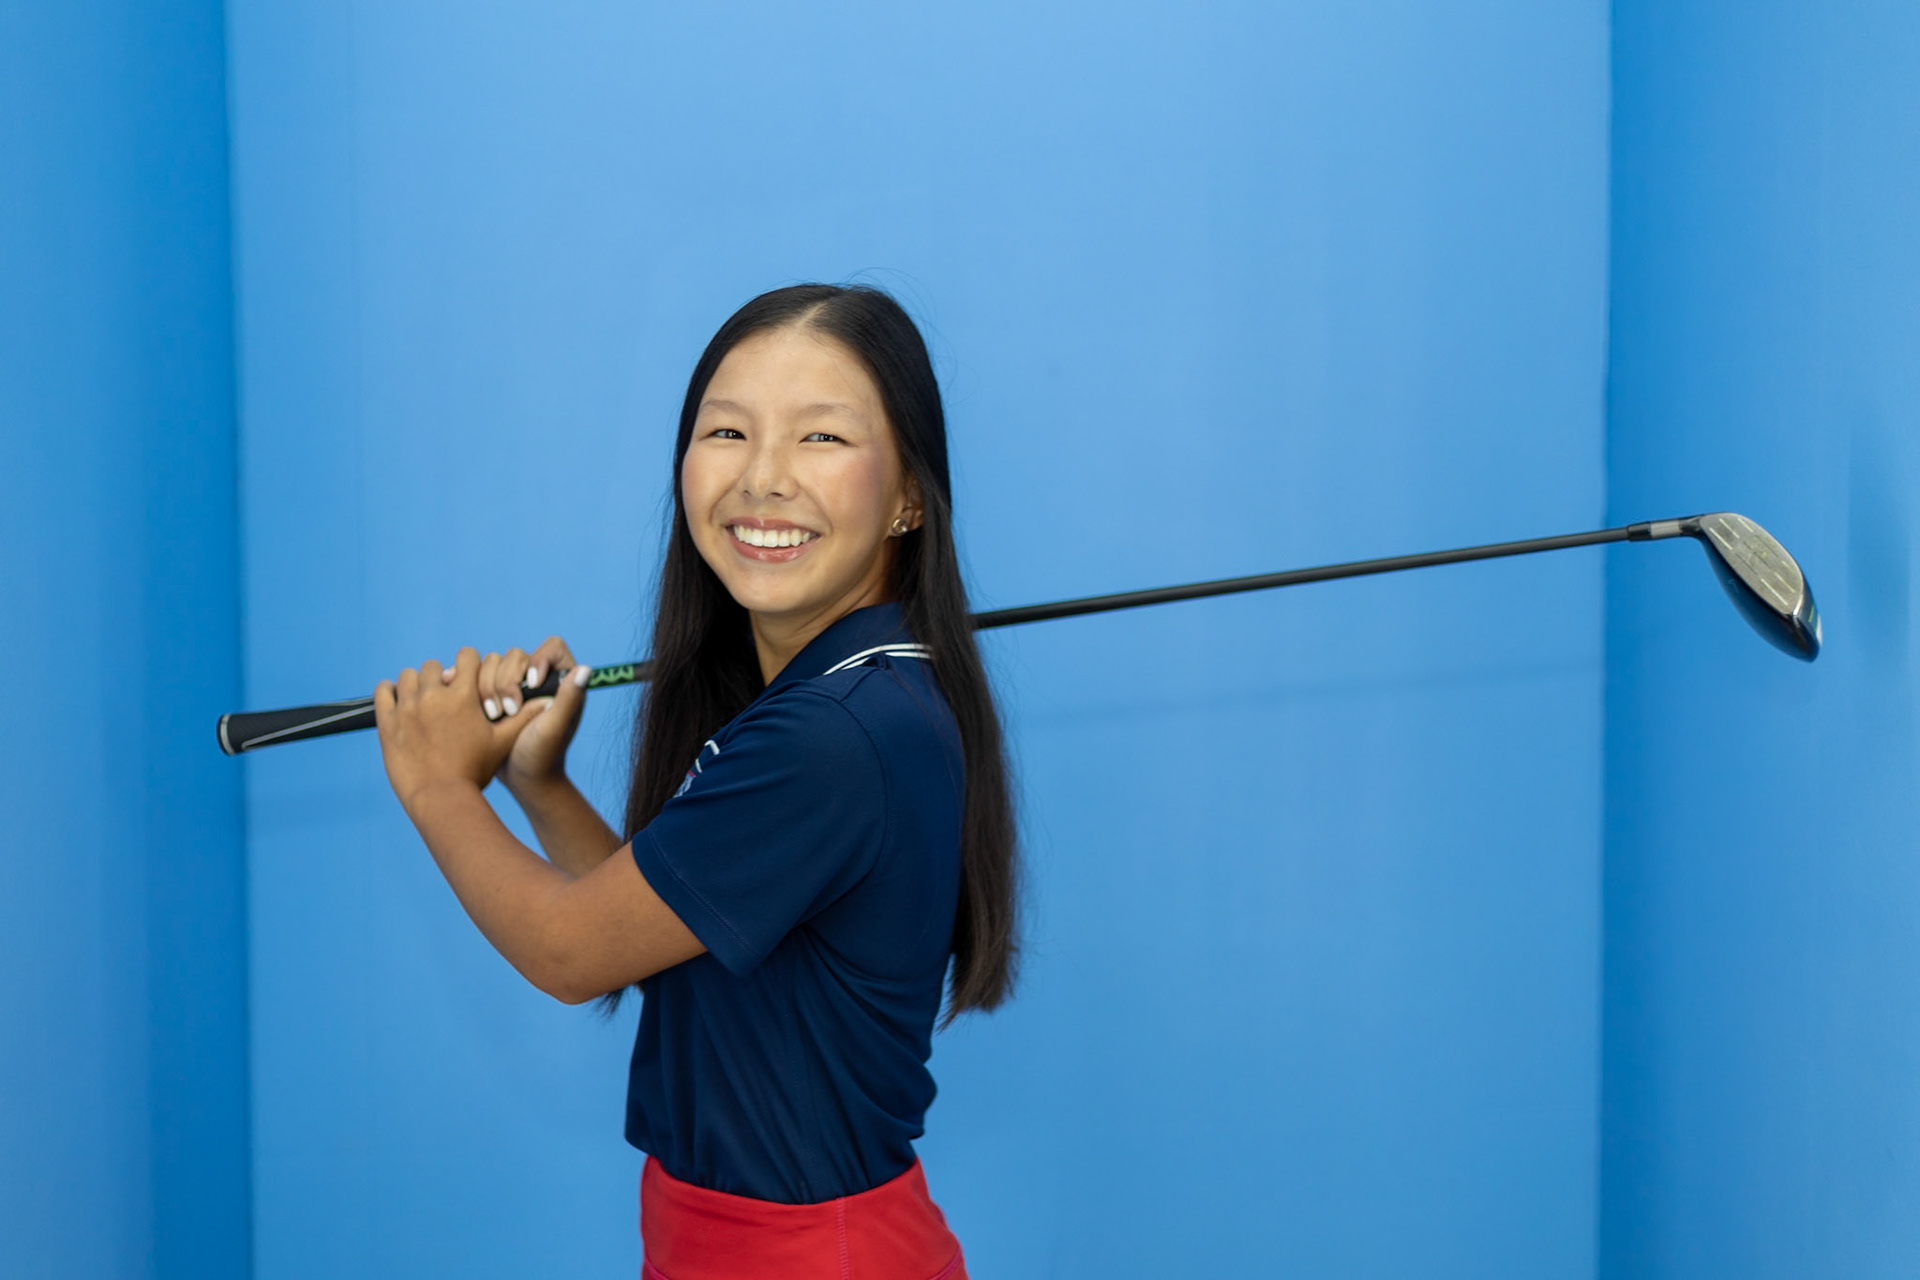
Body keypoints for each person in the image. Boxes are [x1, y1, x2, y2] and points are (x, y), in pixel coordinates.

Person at [372, 283, 1018, 1280]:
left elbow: (574, 950)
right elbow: (659, 938)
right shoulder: (832, 703)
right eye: (728, 430)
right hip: (722, 1243)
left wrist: (435, 783)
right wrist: (539, 782)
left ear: (909, 497)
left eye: (823, 439)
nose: (763, 477)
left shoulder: (831, 737)